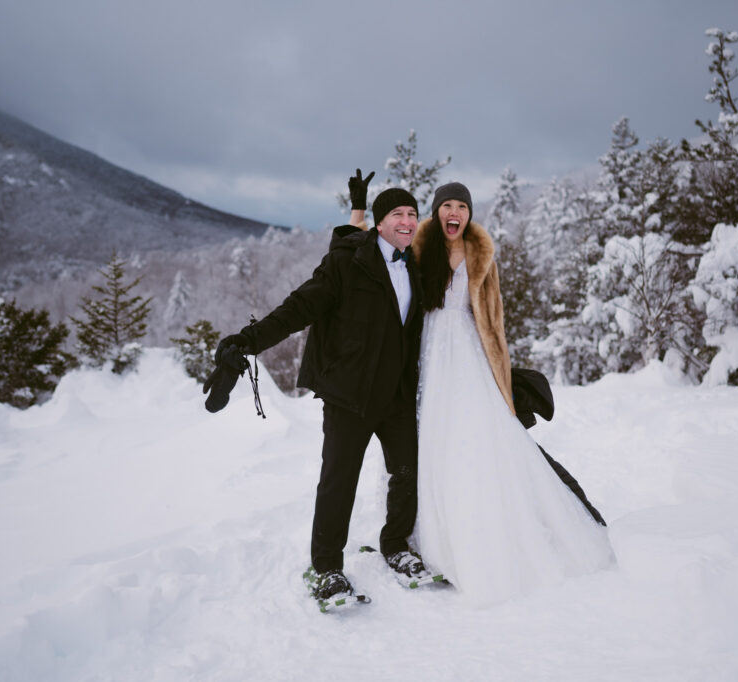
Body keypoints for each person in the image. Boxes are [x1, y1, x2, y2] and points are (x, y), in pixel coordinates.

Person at [350, 178, 614, 605]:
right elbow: (367, 249)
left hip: (469, 358)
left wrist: (503, 378)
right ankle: (417, 534)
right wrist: (358, 212)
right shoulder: (416, 244)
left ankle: (482, 534)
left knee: (481, 439)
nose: (454, 212)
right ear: (436, 211)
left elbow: (494, 321)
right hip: (423, 356)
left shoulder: (481, 255)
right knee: (427, 443)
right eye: (446, 205)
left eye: (461, 206)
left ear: (469, 213)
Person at [205, 181, 430, 602]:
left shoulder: (413, 264)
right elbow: (298, 308)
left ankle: (396, 545)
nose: (406, 221)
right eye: (397, 214)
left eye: (412, 214)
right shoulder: (347, 263)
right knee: (338, 482)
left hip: (395, 396)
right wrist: (246, 341)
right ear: (379, 224)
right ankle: (326, 567)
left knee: (406, 474)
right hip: (350, 396)